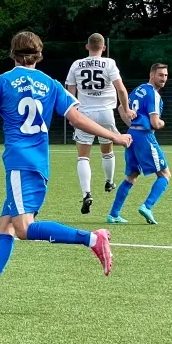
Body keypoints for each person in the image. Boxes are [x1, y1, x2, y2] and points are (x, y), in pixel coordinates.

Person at [0, 31, 132, 314]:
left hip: (19, 163)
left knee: (23, 229)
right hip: (40, 165)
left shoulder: (0, 82)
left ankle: (92, 238)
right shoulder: (50, 83)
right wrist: (114, 136)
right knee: (6, 227)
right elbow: (78, 118)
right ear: (39, 55)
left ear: (12, 53)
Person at [64, 33, 134, 213]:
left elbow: (70, 92)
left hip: (84, 114)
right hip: (105, 114)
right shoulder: (109, 63)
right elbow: (121, 89)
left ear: (87, 47)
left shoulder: (76, 64)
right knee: (107, 151)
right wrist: (126, 110)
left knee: (83, 156)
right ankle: (109, 182)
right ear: (103, 48)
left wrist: (72, 114)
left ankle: (86, 193)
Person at [106, 63, 171, 224]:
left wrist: (133, 126)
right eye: (160, 75)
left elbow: (121, 108)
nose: (163, 78)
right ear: (152, 75)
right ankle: (147, 206)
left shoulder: (138, 90)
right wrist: (162, 123)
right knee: (165, 175)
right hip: (144, 136)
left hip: (131, 135)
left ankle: (113, 214)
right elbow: (155, 123)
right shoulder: (153, 94)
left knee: (132, 176)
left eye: (165, 75)